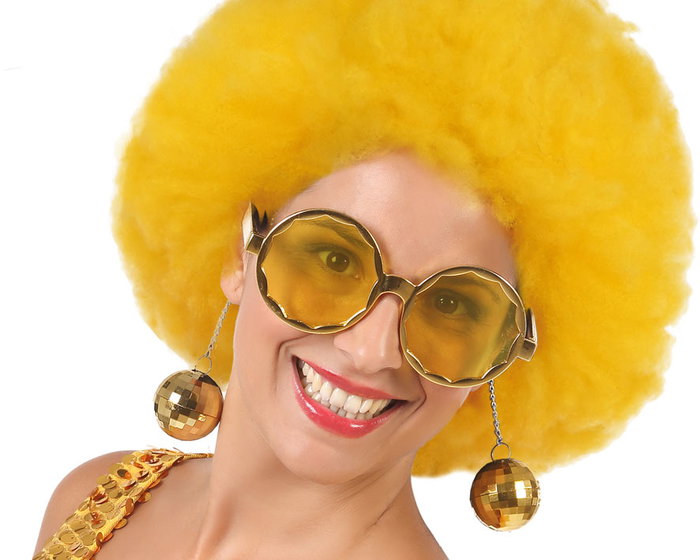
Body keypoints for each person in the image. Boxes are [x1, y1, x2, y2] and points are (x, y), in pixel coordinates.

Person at [32, 0, 693, 558]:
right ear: (240, 253)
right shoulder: (98, 501)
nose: (372, 349)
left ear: (502, 359)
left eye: (454, 305)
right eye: (335, 259)